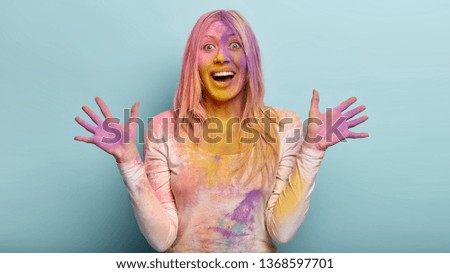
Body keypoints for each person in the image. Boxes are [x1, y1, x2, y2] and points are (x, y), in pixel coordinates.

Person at [74, 10, 368, 252]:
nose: (222, 57)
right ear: (194, 62)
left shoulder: (284, 126)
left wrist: (312, 153)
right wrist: (129, 165)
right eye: (208, 46)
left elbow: (283, 231)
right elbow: (162, 239)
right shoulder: (163, 128)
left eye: (235, 45)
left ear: (250, 60)